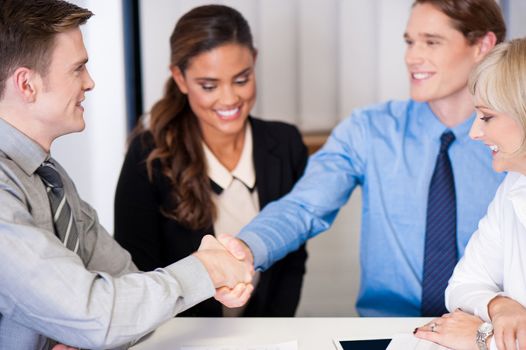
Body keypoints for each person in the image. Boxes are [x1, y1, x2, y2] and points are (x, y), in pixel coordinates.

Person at [221, 0, 507, 317]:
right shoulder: (369, 129)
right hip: (388, 331)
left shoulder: (513, 142)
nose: (412, 57)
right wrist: (247, 248)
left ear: (483, 45)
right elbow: (303, 206)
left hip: (489, 332)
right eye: (410, 42)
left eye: (431, 42)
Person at [0, 1, 253, 349]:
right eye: (78, 69)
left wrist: (95, 329)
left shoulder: (50, 178)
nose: (90, 83)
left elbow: (126, 289)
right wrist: (206, 269)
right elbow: (97, 314)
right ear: (27, 85)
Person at [114, 4, 308, 317]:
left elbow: (292, 261)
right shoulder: (148, 156)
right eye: (209, 86)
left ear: (254, 62)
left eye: (242, 79)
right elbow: (136, 276)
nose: (229, 99)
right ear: (180, 78)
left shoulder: (286, 144)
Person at [414, 38, 526, 350]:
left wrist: (484, 339)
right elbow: (461, 285)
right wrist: (499, 305)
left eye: (487, 116)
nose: (475, 132)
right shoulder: (514, 187)